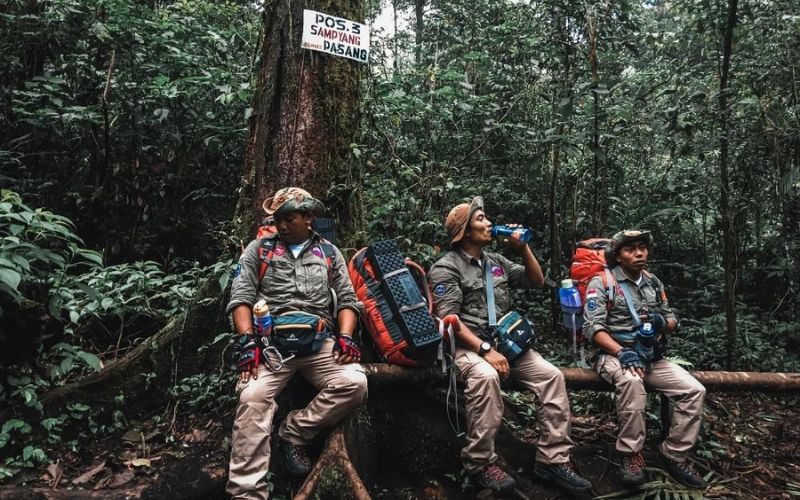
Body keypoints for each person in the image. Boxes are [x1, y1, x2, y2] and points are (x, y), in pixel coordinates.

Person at [428, 196, 592, 495]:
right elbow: (449, 319)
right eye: (481, 219)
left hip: (506, 344)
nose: (489, 223)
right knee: (485, 377)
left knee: (551, 376)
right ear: (464, 231)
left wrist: (523, 248)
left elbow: (536, 281)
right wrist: (485, 351)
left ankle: (553, 461)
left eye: (487, 218)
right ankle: (480, 463)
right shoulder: (446, 267)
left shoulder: (497, 263)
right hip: (469, 346)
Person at [225, 187, 367, 500]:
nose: (283, 225)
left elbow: (347, 301)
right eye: (278, 219)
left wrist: (345, 337)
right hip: (273, 347)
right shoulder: (258, 250)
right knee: (252, 397)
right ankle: (247, 492)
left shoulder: (329, 252)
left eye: (289, 218)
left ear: (308, 217)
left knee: (354, 383)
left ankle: (294, 431)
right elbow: (241, 298)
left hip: (319, 345)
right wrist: (247, 341)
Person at [582, 229, 707, 489]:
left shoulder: (653, 282)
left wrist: (663, 323)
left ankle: (674, 453)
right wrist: (621, 352)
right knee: (632, 382)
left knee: (694, 390)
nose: (639, 253)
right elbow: (592, 328)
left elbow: (672, 319)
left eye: (642, 248)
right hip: (612, 353)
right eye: (631, 249)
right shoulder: (602, 282)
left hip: (650, 356)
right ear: (618, 256)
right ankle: (630, 455)